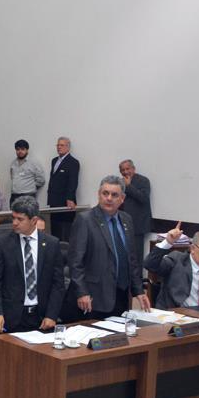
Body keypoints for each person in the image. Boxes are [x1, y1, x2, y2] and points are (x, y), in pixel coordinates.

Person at [67, 175, 150, 320]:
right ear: (99, 195)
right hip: (92, 298)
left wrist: (139, 290)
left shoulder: (127, 219)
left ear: (122, 198)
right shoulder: (85, 220)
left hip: (121, 294)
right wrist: (82, 292)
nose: (109, 198)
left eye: (114, 195)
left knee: (118, 339)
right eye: (105, 193)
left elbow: (132, 259)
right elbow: (75, 262)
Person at [0, 196, 66, 333]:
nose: (15, 223)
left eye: (20, 219)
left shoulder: (51, 244)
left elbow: (58, 283)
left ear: (34, 220)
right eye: (13, 218)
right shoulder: (3, 243)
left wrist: (51, 315)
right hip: (12, 316)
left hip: (41, 316)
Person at [119, 159, 152, 262]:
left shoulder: (143, 180)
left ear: (133, 169)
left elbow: (143, 198)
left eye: (127, 169)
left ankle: (137, 278)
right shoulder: (119, 182)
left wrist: (129, 186)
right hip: (122, 223)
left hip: (137, 225)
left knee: (136, 256)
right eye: (122, 170)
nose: (125, 172)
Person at [47, 137, 80, 241]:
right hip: (54, 202)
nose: (59, 147)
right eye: (58, 145)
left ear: (68, 147)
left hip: (66, 203)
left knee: (66, 232)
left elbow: (73, 181)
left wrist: (70, 198)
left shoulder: (73, 162)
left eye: (62, 145)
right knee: (55, 231)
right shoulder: (54, 161)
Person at [9, 139, 45, 203]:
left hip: (28, 196)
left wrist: (30, 187)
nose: (20, 151)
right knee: (14, 213)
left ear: (27, 150)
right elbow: (12, 177)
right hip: (14, 196)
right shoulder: (13, 163)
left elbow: (41, 180)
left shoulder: (34, 163)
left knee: (28, 213)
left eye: (22, 149)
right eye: (18, 149)